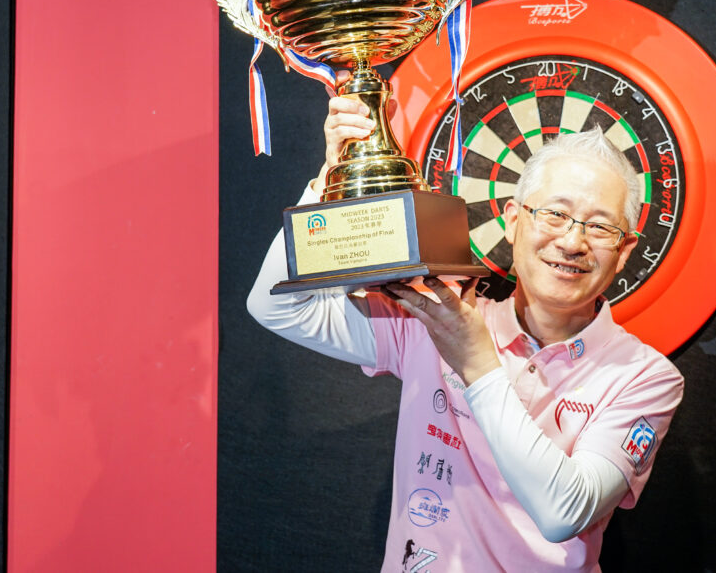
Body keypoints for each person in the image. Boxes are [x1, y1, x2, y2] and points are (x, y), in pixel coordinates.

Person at [247, 96, 684, 572]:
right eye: (555, 214)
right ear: (513, 222)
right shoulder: (435, 317)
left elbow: (566, 512)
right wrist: (329, 186)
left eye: (599, 227)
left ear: (624, 250)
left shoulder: (645, 377)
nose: (572, 241)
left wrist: (478, 364)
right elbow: (274, 305)